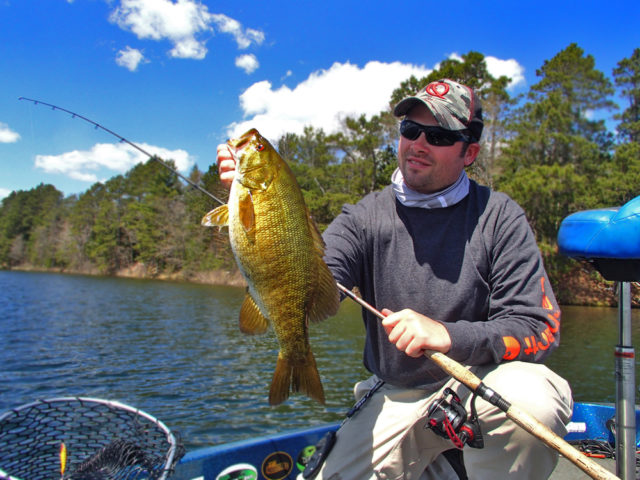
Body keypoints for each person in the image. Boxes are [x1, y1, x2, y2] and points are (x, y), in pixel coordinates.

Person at [217, 79, 573, 480]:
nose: (418, 143)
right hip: (393, 393)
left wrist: (448, 335)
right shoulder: (363, 217)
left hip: (477, 385)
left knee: (533, 402)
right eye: (410, 129)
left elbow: (538, 328)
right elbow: (318, 282)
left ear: (469, 152)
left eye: (438, 135)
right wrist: (255, 212)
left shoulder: (499, 217)